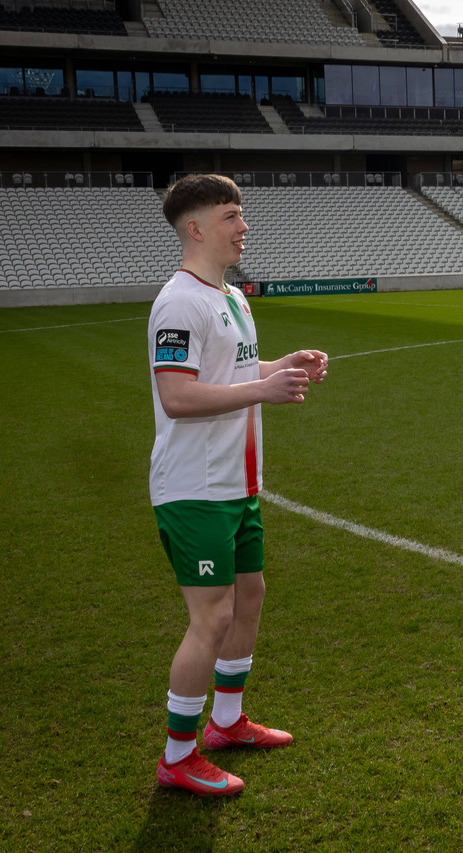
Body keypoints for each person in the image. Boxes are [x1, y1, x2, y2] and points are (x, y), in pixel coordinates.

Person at [147, 174, 328, 797]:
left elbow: (237, 370)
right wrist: (262, 389)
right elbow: (176, 396)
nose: (243, 225)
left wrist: (284, 365)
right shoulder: (178, 302)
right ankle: (178, 755)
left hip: (237, 483)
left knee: (248, 598)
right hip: (194, 488)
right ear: (195, 228)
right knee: (212, 617)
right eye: (231, 216)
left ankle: (226, 723)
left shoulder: (230, 296)